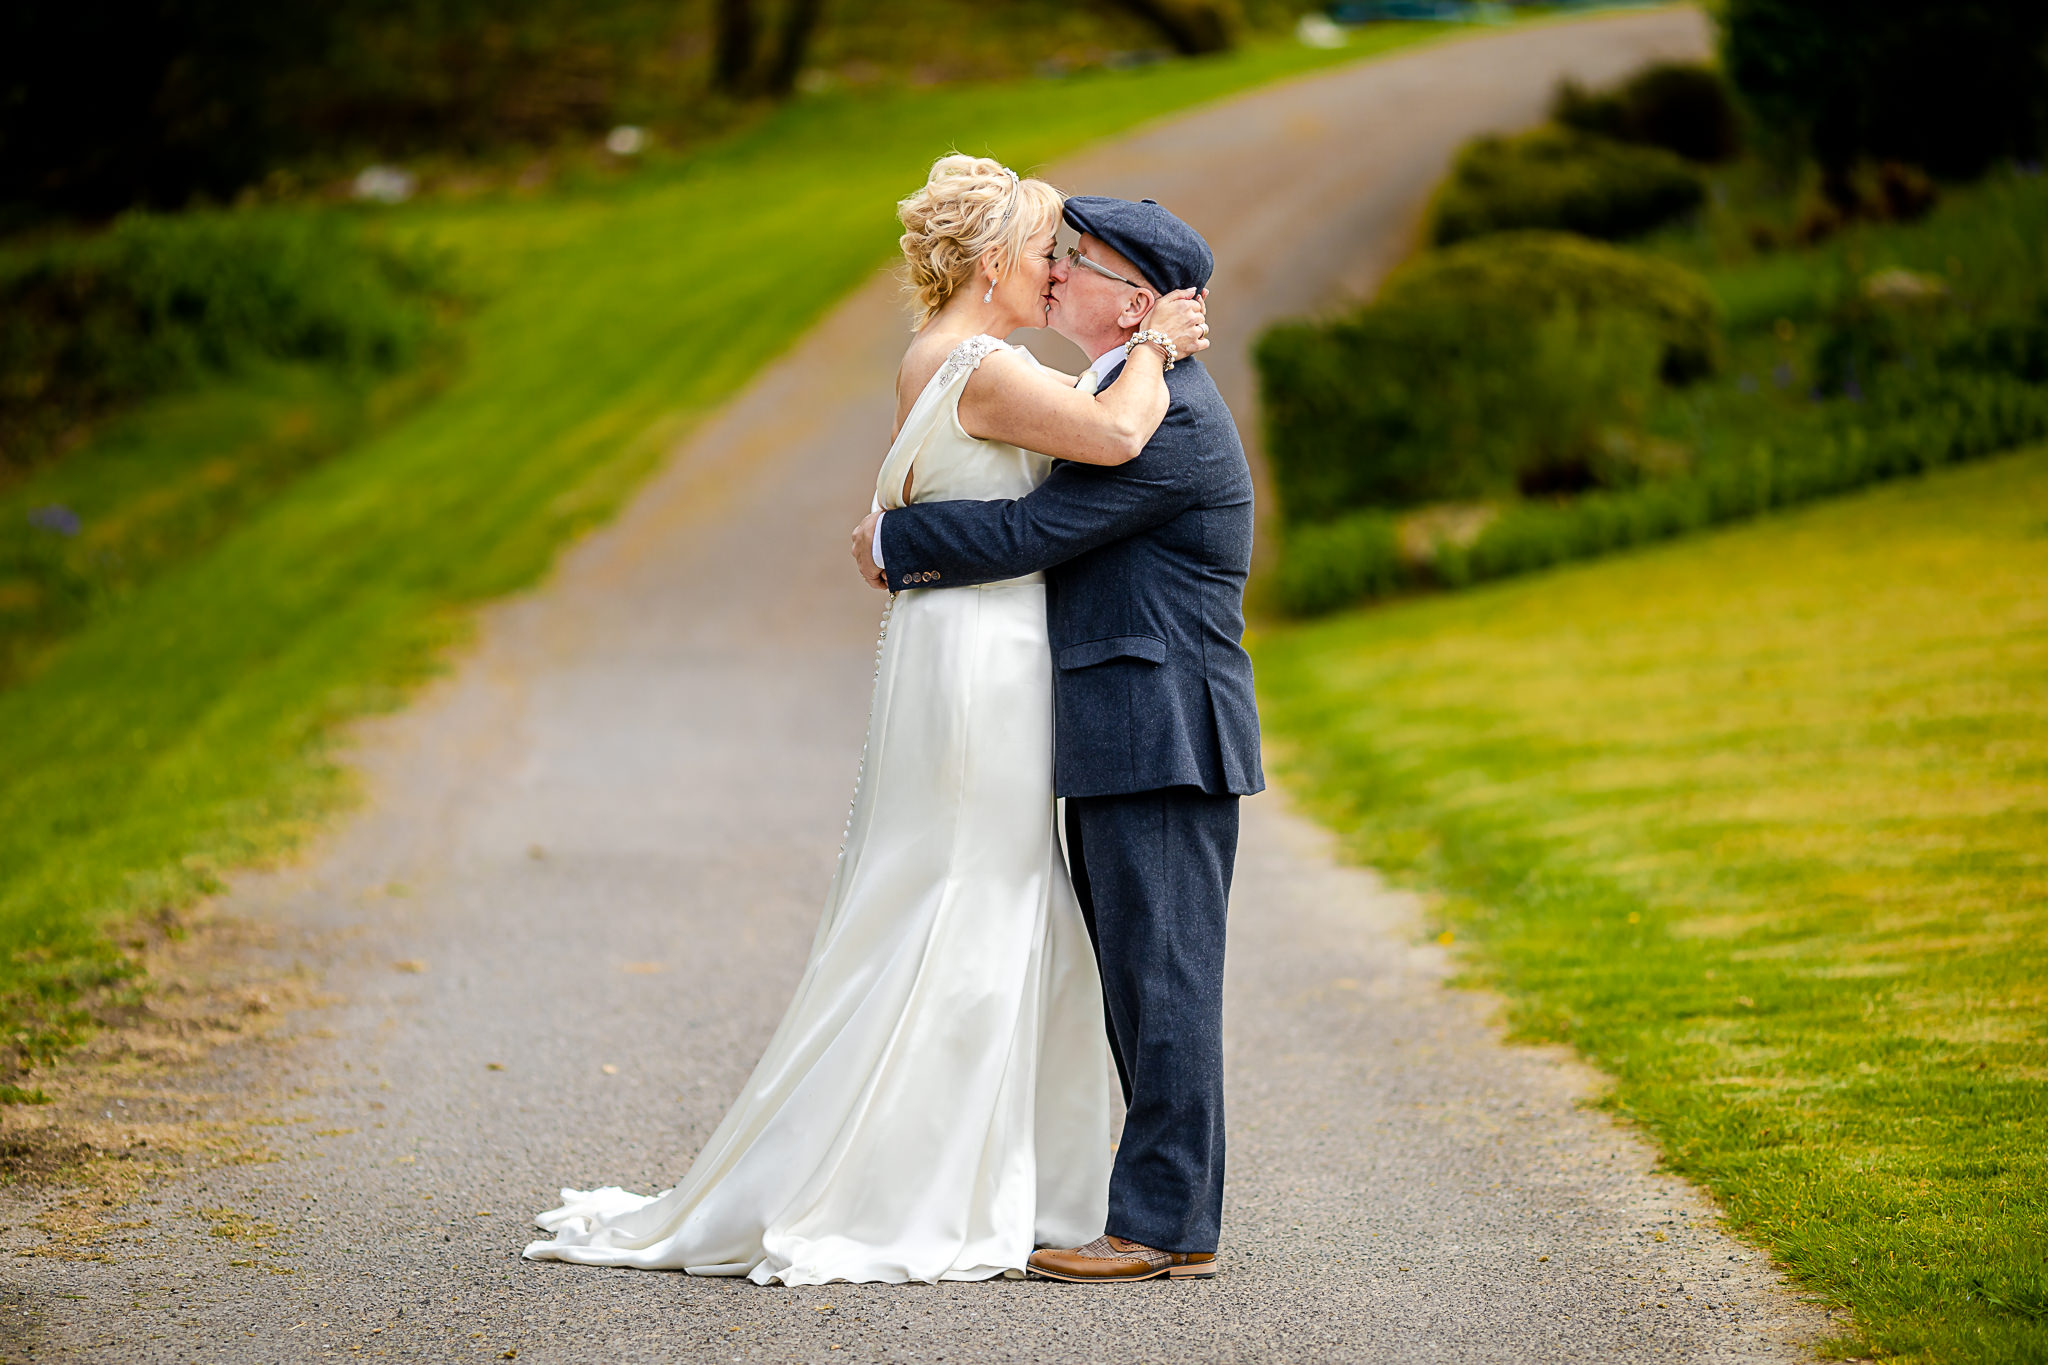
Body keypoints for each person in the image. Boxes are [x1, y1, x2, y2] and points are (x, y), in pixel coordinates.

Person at [522, 154, 1210, 1286]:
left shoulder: (941, 359)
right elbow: (1123, 436)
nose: (1054, 274)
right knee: (969, 890)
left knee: (973, 885)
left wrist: (892, 543)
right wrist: (1157, 342)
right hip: (977, 657)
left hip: (962, 648)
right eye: (1045, 253)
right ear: (993, 263)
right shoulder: (982, 366)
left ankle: (997, 1169)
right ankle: (918, 1181)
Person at [851, 191, 1263, 1285]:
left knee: (1162, 975)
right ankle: (1157, 1216)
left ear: (1131, 301)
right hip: (1126, 727)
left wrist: (896, 538)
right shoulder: (1118, 387)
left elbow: (1038, 530)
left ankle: (1166, 1226)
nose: (1057, 269)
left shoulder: (1166, 421)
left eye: (1076, 259)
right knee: (1140, 973)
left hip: (1162, 730)